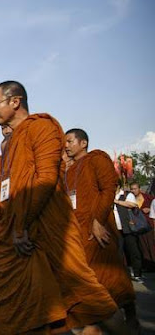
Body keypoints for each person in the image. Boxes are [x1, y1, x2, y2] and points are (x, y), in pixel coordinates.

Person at [0, 80, 125, 334]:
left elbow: (45, 179)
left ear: (15, 101)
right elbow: (12, 187)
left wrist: (22, 224)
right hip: (17, 232)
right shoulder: (11, 143)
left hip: (48, 228)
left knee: (87, 297)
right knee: (31, 306)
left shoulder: (42, 127)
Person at [64, 128, 138, 329]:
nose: (66, 146)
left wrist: (98, 221)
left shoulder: (97, 158)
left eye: (70, 141)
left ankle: (129, 315)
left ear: (83, 143)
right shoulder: (69, 171)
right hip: (79, 233)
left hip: (99, 229)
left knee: (110, 276)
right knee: (90, 281)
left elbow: (108, 188)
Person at [114, 184, 143, 281]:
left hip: (128, 228)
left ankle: (137, 274)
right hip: (116, 229)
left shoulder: (127, 195)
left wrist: (116, 201)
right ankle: (120, 273)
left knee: (133, 251)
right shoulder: (109, 195)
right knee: (118, 252)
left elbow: (132, 204)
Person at [131, 182, 155, 270]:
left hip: (149, 225)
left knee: (152, 245)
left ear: (139, 189)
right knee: (143, 246)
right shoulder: (130, 200)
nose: (133, 191)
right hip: (139, 227)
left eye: (135, 189)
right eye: (132, 189)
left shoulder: (148, 198)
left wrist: (149, 209)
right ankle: (148, 266)